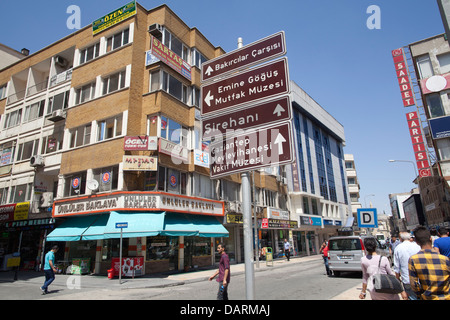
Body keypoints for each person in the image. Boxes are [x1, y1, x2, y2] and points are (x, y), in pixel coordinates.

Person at [408, 226, 450, 300]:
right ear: (430, 239)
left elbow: (414, 284)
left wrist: (419, 294)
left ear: (417, 242)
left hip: (427, 297)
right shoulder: (445, 259)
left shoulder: (413, 260)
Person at [393, 232, 421, 300]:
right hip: (420, 278)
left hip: (407, 279)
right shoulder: (417, 246)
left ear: (400, 239)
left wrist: (398, 282)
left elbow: (397, 268)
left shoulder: (398, 248)